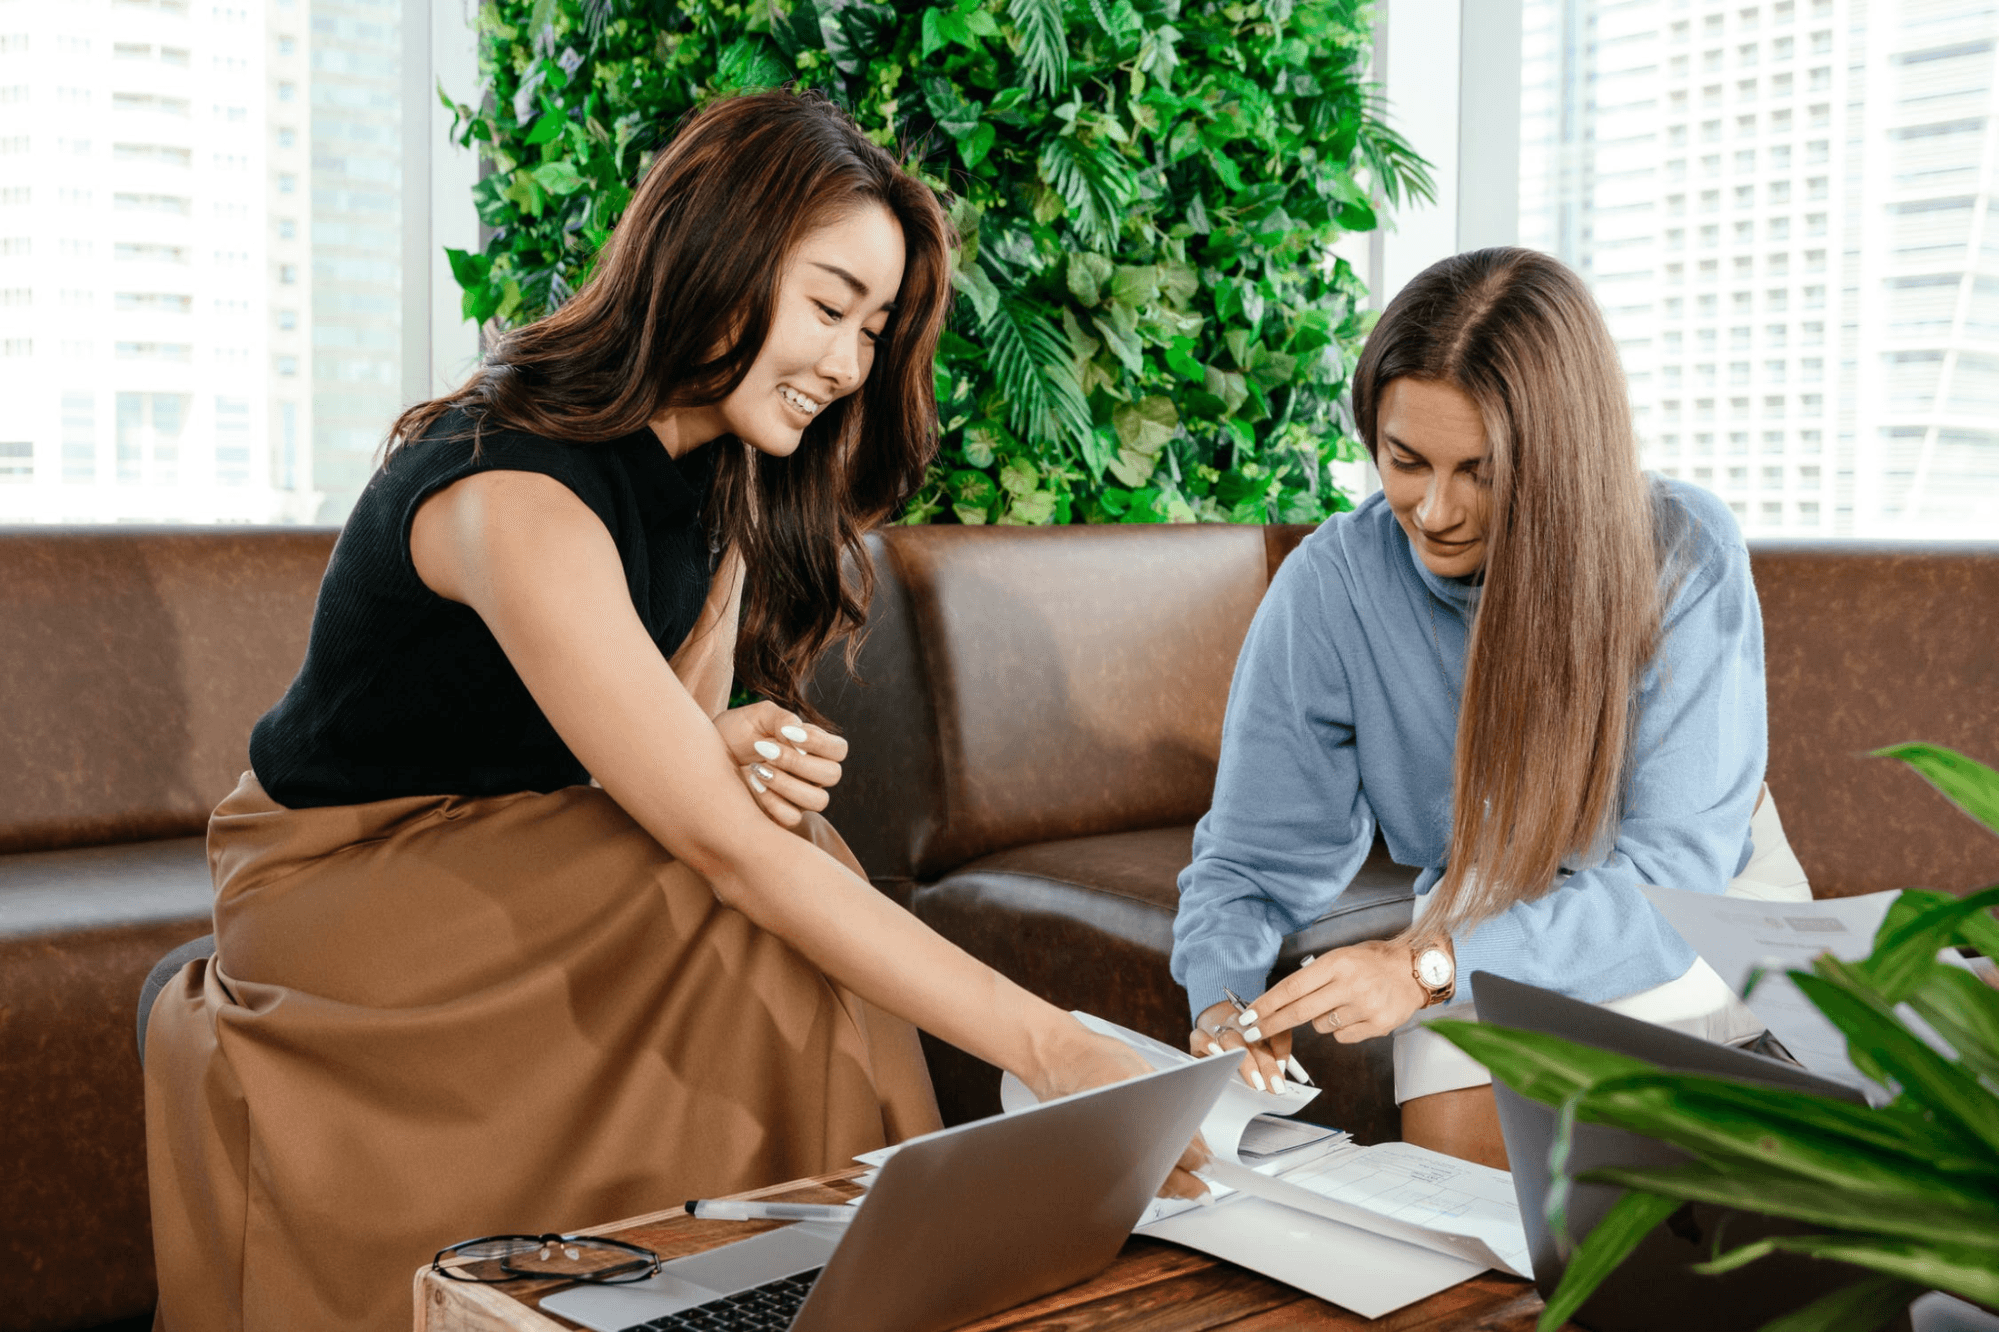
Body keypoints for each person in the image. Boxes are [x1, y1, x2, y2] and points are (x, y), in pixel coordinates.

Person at [143, 89, 1199, 1332]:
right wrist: (1053, 1048)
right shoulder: (512, 490)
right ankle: (840, 1281)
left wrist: (712, 742)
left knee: (768, 853)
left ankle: (790, 1278)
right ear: (717, 256)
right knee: (764, 870)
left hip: (512, 845)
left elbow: (655, 752)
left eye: (873, 327)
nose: (852, 363)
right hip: (346, 889)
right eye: (828, 306)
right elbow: (716, 846)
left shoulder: (722, 466)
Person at [1171, 247, 1812, 1169]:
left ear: (1559, 456)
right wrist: (1224, 1003)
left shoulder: (1681, 549)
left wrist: (1427, 966)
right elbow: (1250, 857)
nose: (1434, 510)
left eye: (1479, 470)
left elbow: (1673, 876)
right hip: (1487, 899)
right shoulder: (1332, 586)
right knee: (1455, 1154)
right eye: (1404, 460)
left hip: (1701, 904)